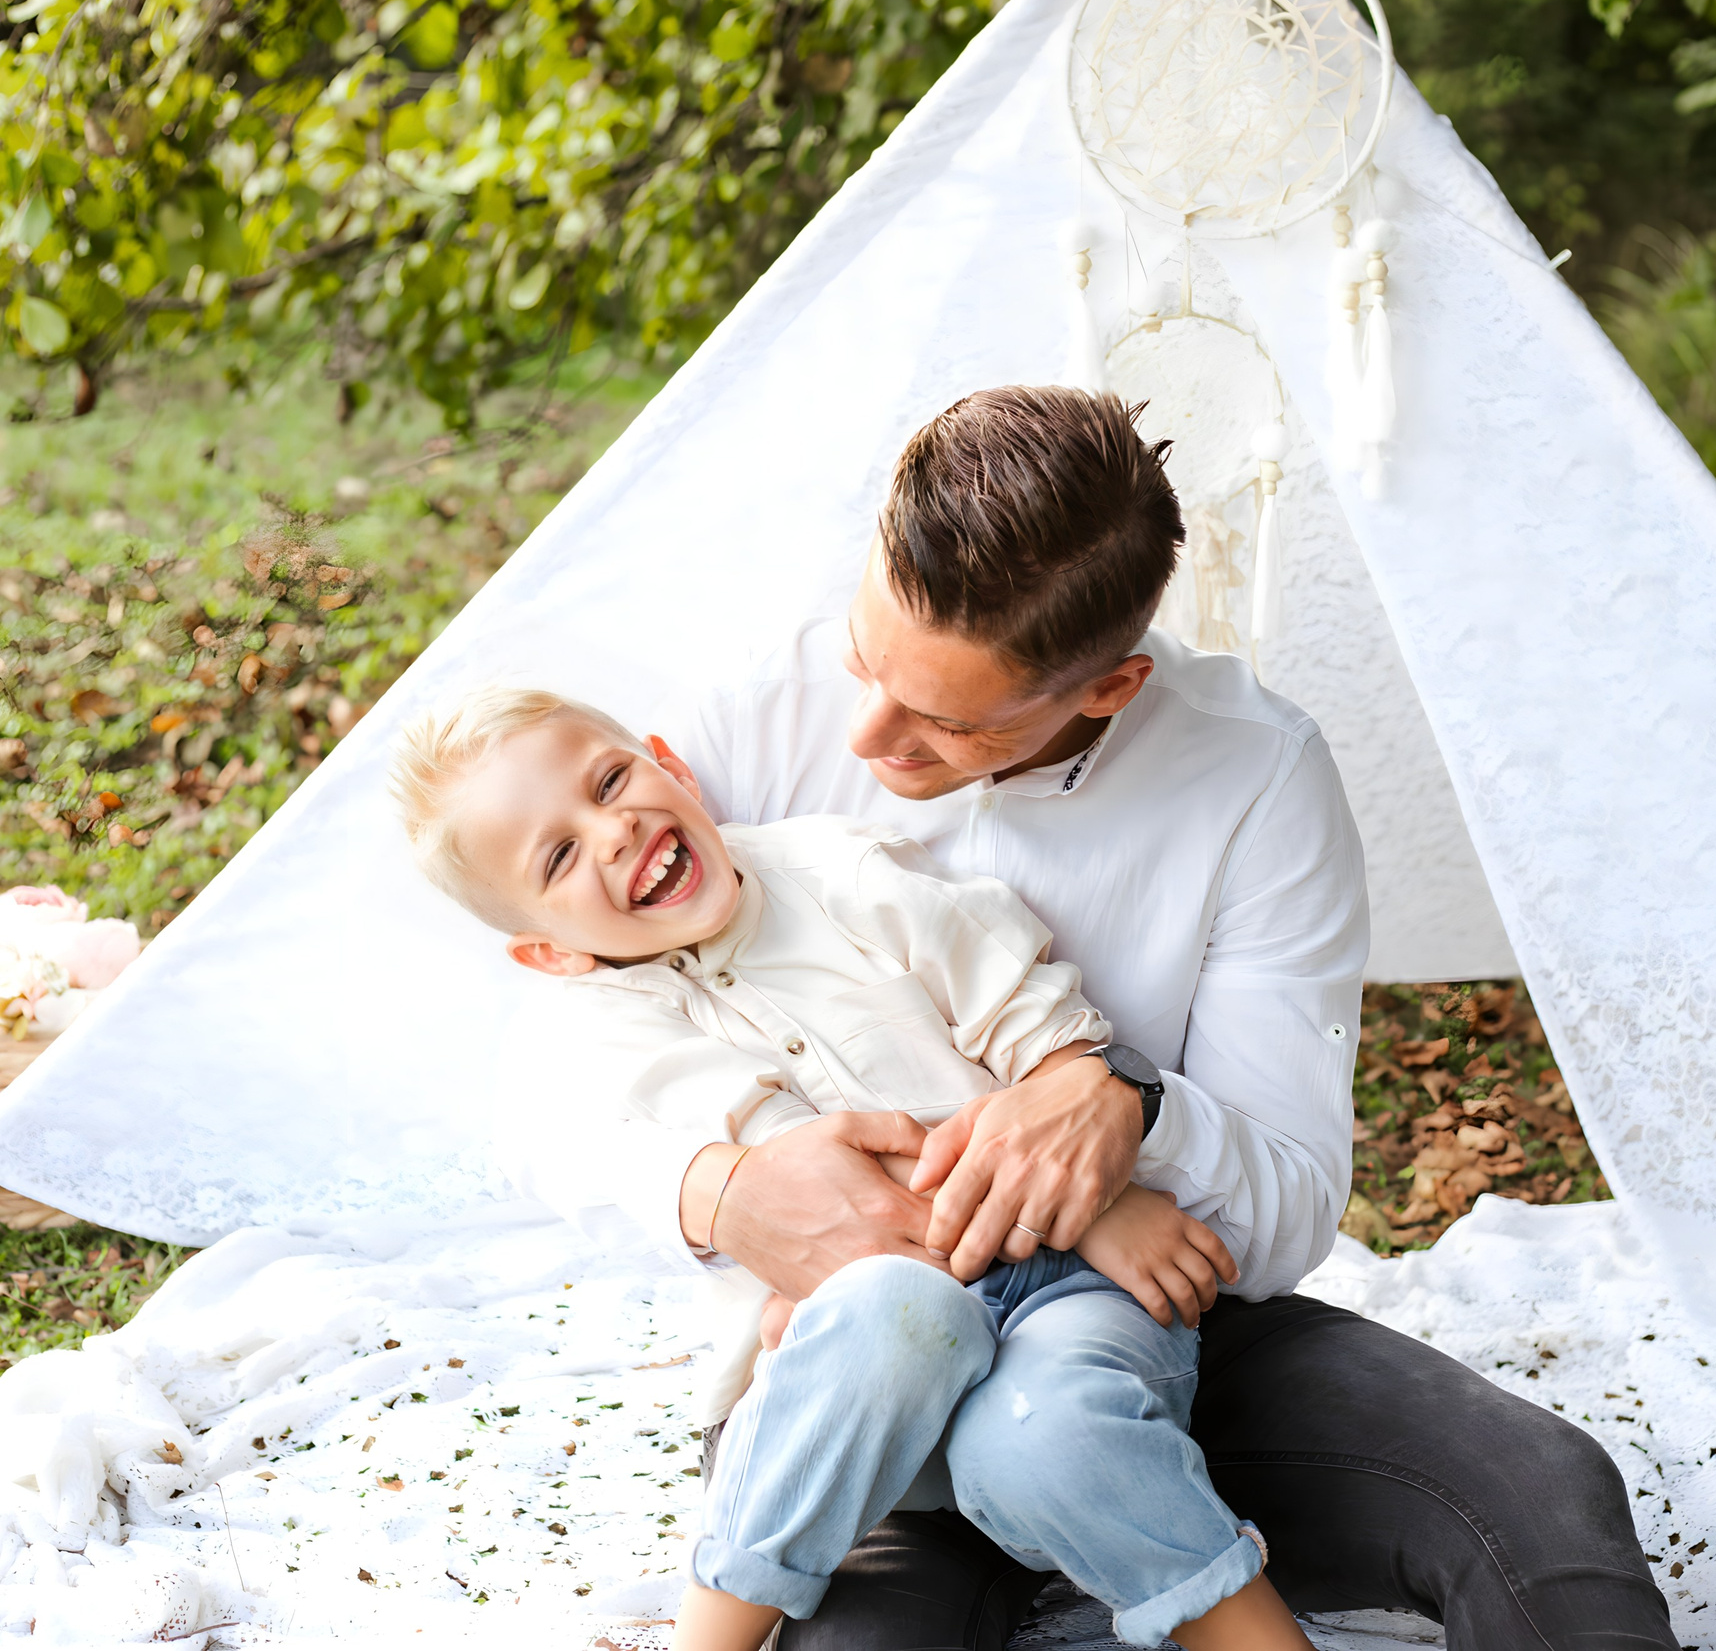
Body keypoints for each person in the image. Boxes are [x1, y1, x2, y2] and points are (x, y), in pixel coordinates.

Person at [673, 386, 1679, 1651]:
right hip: (861, 1368)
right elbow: (547, 1041)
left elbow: (1288, 1212)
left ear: (1110, 688)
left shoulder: (1256, 774)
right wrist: (713, 1188)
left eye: (948, 719)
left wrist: (1125, 1100)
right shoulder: (745, 718)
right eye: (868, 661)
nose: (871, 731)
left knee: (1540, 1495)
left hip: (1148, 1333)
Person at [385, 685, 1316, 1651]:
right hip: (859, 1398)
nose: (612, 832)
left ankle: (1250, 1636)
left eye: (610, 780)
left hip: (1064, 1299)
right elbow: (815, 1205)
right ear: (547, 951)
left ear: (672, 763)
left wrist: (1093, 1201)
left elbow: (1042, 1046)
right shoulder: (606, 1039)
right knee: (888, 1312)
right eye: (562, 855)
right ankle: (708, 1640)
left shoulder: (848, 874)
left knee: (1052, 1433)